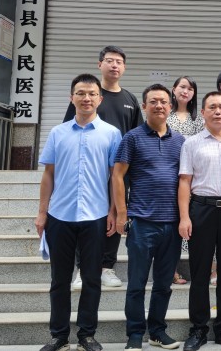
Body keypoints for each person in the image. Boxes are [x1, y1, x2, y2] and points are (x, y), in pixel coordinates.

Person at [36, 73, 122, 351]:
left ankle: (87, 334)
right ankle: (59, 335)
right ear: (71, 97)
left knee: (92, 279)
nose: (86, 98)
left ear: (100, 98)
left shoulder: (111, 133)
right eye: (81, 93)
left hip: (95, 216)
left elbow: (115, 177)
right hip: (60, 216)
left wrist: (114, 212)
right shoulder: (58, 133)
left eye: (92, 94)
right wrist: (42, 213)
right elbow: (48, 175)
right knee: (59, 280)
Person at [62, 45, 143, 290]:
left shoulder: (130, 100)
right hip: (87, 168)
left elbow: (137, 135)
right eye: (109, 60)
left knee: (116, 214)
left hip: (119, 170)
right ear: (100, 65)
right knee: (84, 216)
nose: (114, 65)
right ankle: (82, 269)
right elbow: (69, 129)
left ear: (124, 67)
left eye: (119, 61)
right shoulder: (88, 95)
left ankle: (107, 267)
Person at [112, 84, 185, 351]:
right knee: (137, 283)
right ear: (144, 106)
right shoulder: (132, 138)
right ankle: (134, 334)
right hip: (142, 222)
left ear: (171, 107)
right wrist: (122, 213)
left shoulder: (180, 141)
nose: (159, 106)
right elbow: (118, 175)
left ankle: (157, 331)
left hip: (172, 224)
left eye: (164, 101)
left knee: (163, 284)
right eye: (153, 101)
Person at [178, 91, 221, 351]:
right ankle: (198, 329)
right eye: (212, 107)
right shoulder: (191, 143)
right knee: (199, 274)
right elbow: (184, 181)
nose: (218, 111)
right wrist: (184, 217)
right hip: (201, 211)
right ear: (203, 112)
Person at [167, 75, 204, 285]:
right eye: (182, 87)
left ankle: (207, 269)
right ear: (173, 89)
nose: (185, 91)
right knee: (171, 223)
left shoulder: (198, 119)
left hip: (192, 176)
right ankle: (170, 270)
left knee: (194, 223)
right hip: (169, 174)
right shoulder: (165, 114)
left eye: (190, 88)